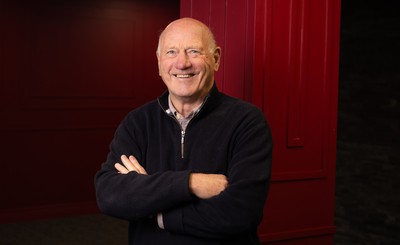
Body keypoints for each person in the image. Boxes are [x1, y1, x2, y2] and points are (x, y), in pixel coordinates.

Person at [94, 17, 273, 245]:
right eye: (171, 52)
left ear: (216, 59)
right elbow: (110, 195)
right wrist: (190, 183)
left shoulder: (247, 121)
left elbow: (240, 213)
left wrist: (154, 210)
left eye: (193, 51)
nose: (182, 63)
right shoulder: (138, 122)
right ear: (159, 62)